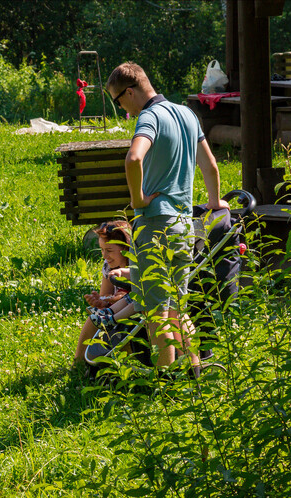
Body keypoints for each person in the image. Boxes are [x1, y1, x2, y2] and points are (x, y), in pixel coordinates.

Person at [106, 62, 228, 374]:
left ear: (130, 91)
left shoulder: (148, 117)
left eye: (119, 101)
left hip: (155, 226)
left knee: (155, 312)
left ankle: (164, 386)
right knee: (176, 306)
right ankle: (194, 373)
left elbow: (134, 157)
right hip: (185, 226)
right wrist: (215, 203)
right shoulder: (187, 114)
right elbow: (210, 165)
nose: (123, 110)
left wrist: (138, 200)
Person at [73, 220, 135, 365]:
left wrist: (116, 300)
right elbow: (106, 296)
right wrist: (100, 301)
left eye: (109, 250)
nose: (104, 255)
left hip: (132, 312)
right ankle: (78, 363)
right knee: (93, 318)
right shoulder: (109, 266)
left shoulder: (135, 267)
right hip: (116, 311)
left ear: (126, 249)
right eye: (102, 250)